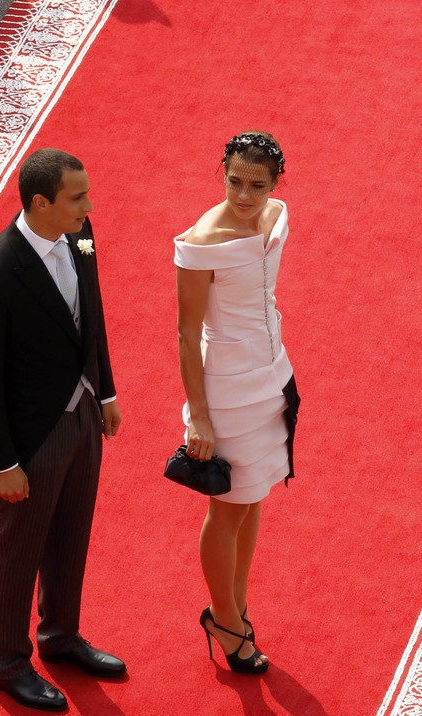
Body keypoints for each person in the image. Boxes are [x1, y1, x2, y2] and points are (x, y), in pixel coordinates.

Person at [0, 148, 125, 712]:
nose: (89, 206)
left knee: (71, 535)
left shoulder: (80, 234)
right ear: (40, 202)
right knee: (18, 550)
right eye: (78, 197)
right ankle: (6, 661)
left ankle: (60, 636)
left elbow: (91, 314)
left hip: (81, 418)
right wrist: (0, 464)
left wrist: (105, 392)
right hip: (30, 441)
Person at [175, 131, 299, 675]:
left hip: (273, 377)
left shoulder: (276, 215)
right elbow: (185, 332)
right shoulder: (203, 239)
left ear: (275, 184)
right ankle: (223, 619)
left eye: (257, 184)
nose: (244, 195)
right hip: (226, 387)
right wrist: (198, 413)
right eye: (234, 180)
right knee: (226, 507)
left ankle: (238, 604)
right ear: (220, 169)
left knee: (252, 500)